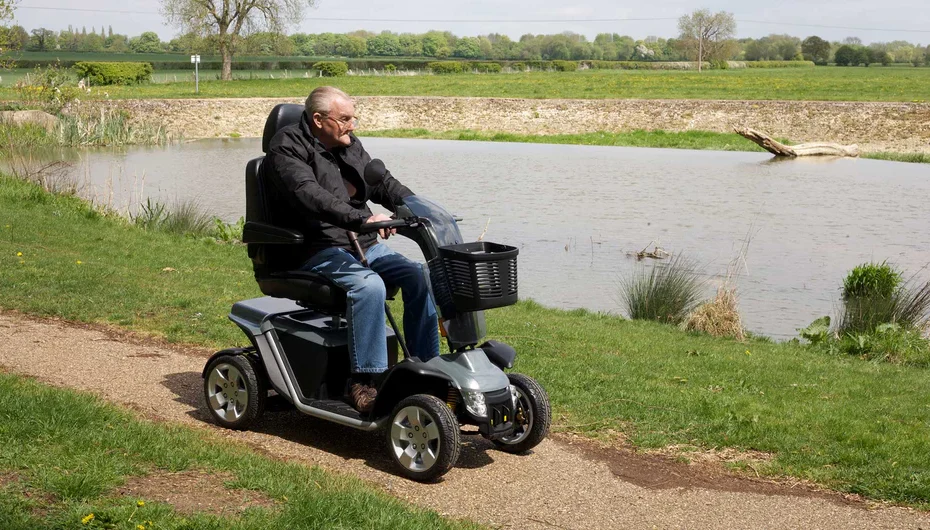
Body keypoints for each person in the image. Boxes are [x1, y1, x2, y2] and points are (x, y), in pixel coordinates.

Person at [261, 86, 439, 413]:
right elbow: (310, 194)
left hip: (361, 241)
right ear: (318, 119)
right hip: (313, 246)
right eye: (344, 119)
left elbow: (383, 183)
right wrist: (364, 218)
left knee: (418, 275)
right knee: (369, 285)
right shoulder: (286, 147)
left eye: (353, 117)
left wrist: (416, 207)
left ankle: (427, 367)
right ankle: (363, 383)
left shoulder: (350, 145)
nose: (352, 125)